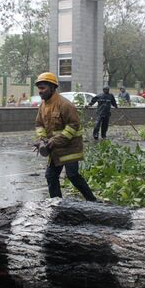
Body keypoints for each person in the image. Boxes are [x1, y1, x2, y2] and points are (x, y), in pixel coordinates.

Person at [34, 72, 96, 201]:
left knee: (72, 175)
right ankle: (57, 204)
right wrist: (41, 139)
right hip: (55, 149)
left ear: (52, 87)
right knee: (50, 176)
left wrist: (54, 140)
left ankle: (92, 201)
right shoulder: (43, 106)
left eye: (43, 88)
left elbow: (73, 125)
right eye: (39, 88)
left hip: (70, 148)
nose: (40, 91)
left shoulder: (65, 104)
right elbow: (39, 124)